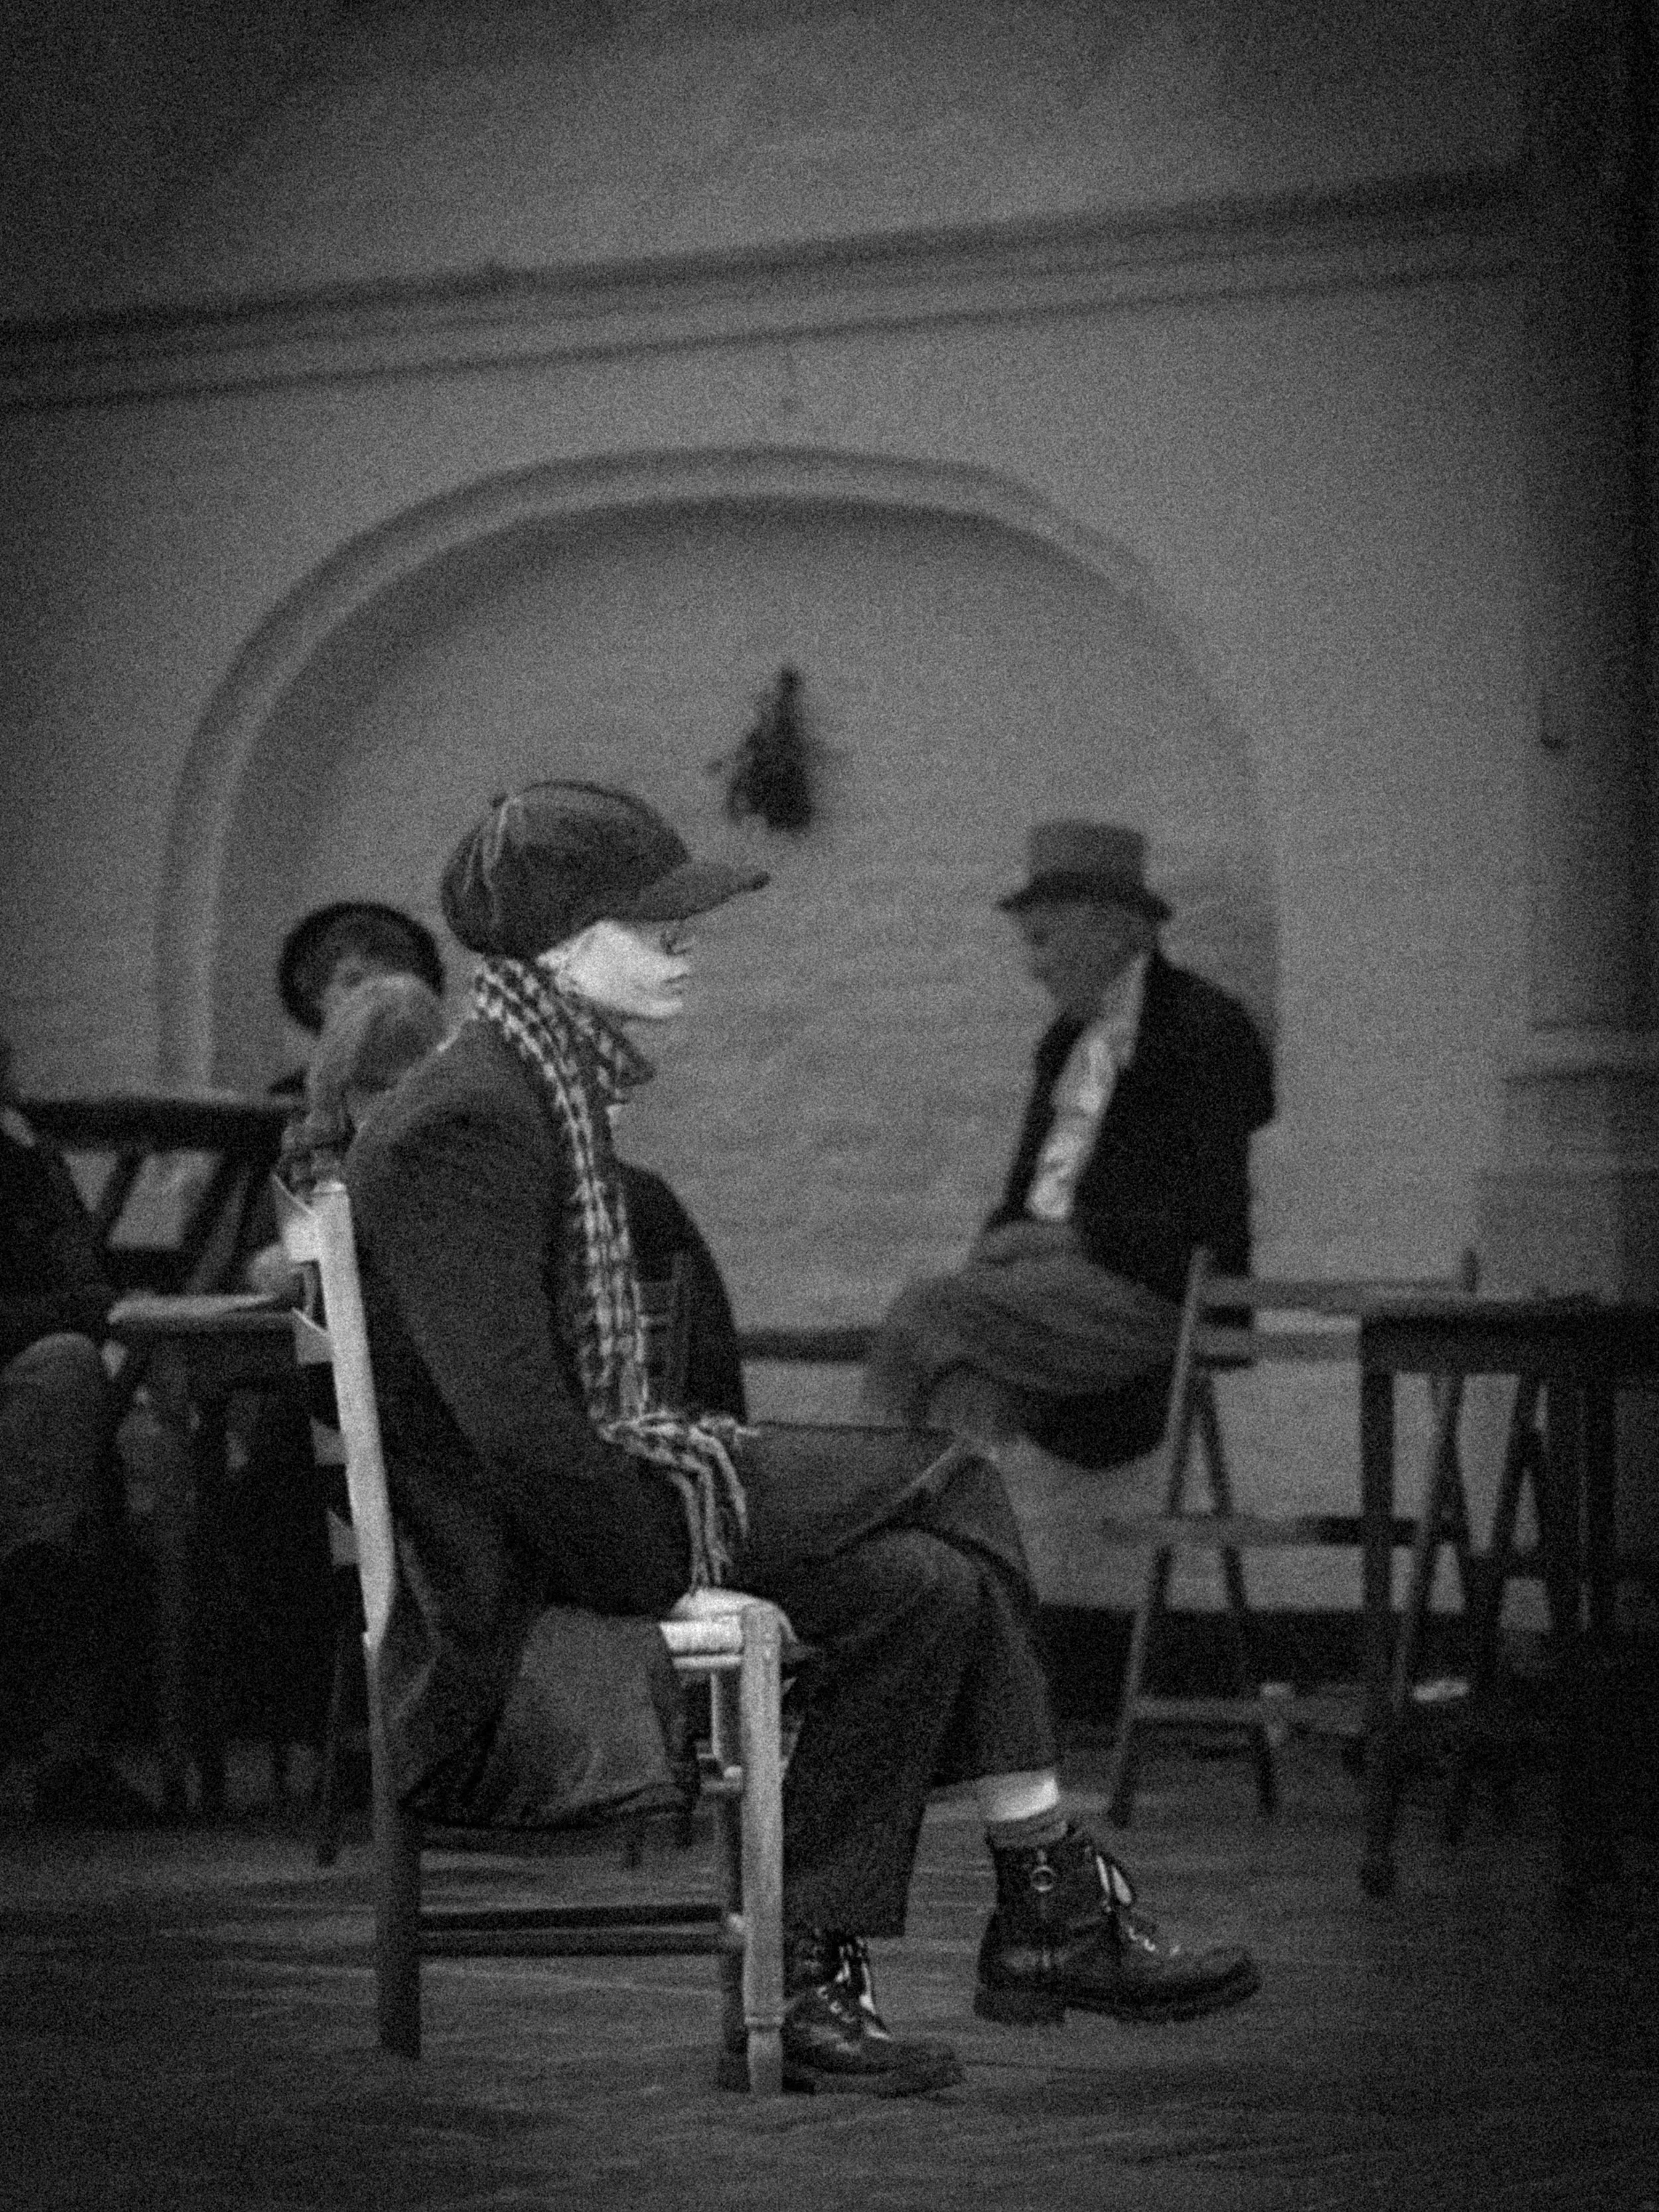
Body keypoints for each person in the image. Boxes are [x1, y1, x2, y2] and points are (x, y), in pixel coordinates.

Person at [344, 780, 1260, 2098]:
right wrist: (662, 1581)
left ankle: (810, 1983)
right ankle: (1053, 1904)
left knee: (925, 1585)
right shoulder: (469, 1115)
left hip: (609, 1503)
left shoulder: (533, 1088)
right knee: (949, 1473)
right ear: (558, 942)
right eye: (652, 925)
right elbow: (523, 1436)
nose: (683, 946)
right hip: (518, 1601)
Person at [864, 821, 1275, 1465]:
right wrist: (1003, 1242)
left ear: (1112, 929)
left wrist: (1075, 1237)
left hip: (1162, 1301)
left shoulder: (1201, 1030)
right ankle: (948, 1554)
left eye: (1043, 939)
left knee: (925, 1313)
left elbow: (1214, 1220)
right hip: (1062, 1305)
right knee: (965, 1391)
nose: (1032, 967)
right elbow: (1029, 1196)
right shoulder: (1067, 1047)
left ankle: (862, 1530)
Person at [0, 1031, 158, 1824]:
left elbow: (88, 1287)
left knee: (74, 1376)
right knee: (63, 1375)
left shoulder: (21, 1150)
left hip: (30, 1393)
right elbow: (80, 1299)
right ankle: (37, 1550)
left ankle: (39, 1552)